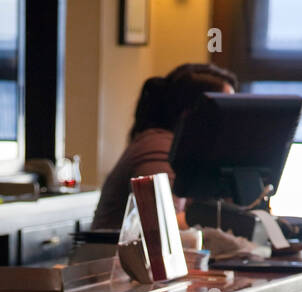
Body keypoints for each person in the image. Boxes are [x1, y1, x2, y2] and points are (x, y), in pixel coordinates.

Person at [90, 62, 238, 230]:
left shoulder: (179, 149)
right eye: (222, 109)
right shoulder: (159, 147)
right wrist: (218, 217)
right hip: (115, 255)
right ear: (190, 113)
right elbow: (162, 225)